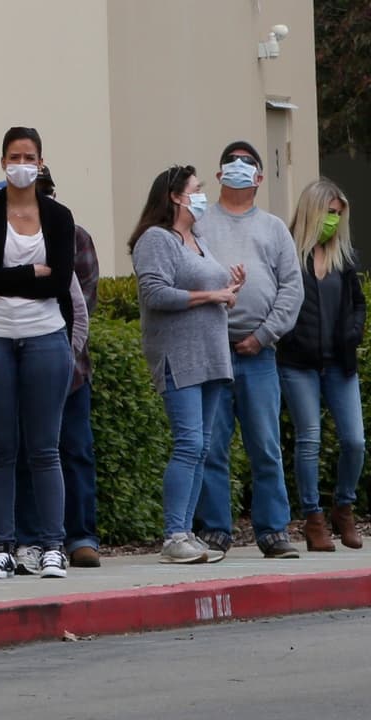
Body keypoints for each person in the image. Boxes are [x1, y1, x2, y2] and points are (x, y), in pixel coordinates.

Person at [0, 126, 76, 580]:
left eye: (29, 157)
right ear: (2, 161)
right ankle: (1, 547)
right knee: (0, 447)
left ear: (41, 163)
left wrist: (4, 274)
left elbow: (59, 280)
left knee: (45, 448)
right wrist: (30, 272)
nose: (21, 164)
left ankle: (53, 545)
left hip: (46, 334)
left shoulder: (58, 216)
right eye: (14, 156)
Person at [195, 141, 303, 559]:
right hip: (212, 353)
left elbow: (291, 289)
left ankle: (273, 531)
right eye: (231, 162)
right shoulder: (199, 224)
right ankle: (215, 530)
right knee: (211, 447)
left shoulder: (274, 228)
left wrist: (263, 335)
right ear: (218, 175)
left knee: (266, 447)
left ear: (259, 177)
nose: (238, 167)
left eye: (247, 163)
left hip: (260, 355)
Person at [131, 165, 242, 564]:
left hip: (211, 355)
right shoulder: (156, 239)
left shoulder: (198, 239)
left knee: (203, 447)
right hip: (179, 355)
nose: (202, 196)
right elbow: (155, 293)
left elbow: (210, 292)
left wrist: (229, 292)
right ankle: (174, 535)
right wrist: (212, 295)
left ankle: (187, 534)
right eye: (196, 189)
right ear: (175, 196)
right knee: (189, 443)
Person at [14, 165, 102, 570]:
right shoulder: (1, 234)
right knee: (26, 454)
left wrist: (63, 358)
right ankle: (30, 540)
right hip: (19, 366)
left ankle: (81, 536)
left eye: (43, 190)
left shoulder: (74, 236)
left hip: (69, 370)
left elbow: (82, 304)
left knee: (75, 451)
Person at [277, 179, 366, 551]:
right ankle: (313, 520)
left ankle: (344, 508)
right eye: (329, 213)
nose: (334, 221)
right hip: (298, 363)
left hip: (339, 364)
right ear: (312, 212)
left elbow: (357, 304)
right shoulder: (287, 253)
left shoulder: (343, 257)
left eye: (338, 214)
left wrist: (353, 333)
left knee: (355, 441)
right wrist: (289, 337)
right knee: (308, 439)